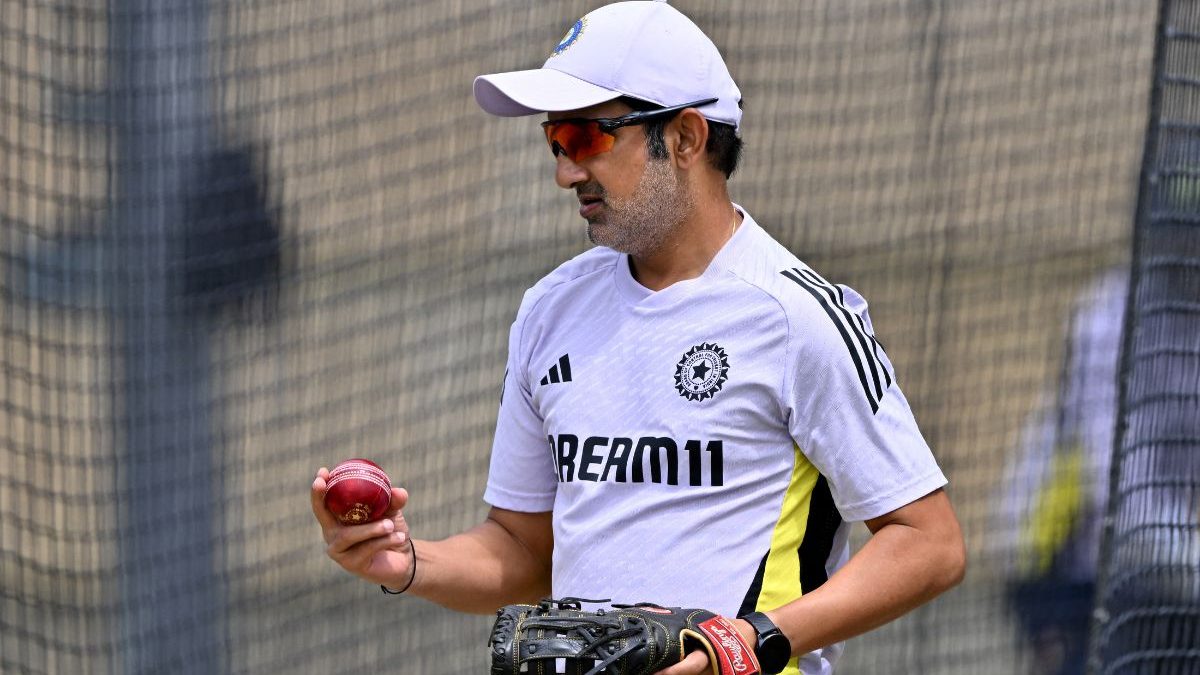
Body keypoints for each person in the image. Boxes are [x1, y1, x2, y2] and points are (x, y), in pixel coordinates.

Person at [311, 2, 966, 673]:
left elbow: (929, 542)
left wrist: (748, 642)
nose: (565, 171)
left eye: (588, 137)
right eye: (555, 141)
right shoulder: (549, 309)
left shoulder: (797, 315)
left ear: (684, 138)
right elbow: (525, 552)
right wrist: (405, 559)